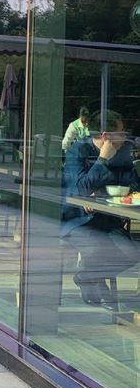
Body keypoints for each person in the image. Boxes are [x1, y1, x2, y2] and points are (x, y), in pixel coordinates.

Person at [61, 110, 138, 309]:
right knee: (99, 249)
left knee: (132, 253)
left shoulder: (122, 152)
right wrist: (102, 160)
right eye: (121, 133)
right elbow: (80, 189)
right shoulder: (78, 151)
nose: (124, 138)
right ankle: (96, 281)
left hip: (108, 219)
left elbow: (133, 185)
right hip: (78, 221)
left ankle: (86, 277)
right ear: (105, 136)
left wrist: (101, 192)